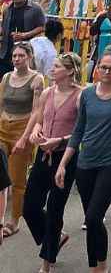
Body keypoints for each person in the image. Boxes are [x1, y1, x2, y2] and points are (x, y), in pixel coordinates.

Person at [55, 48, 111, 272]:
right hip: (86, 163)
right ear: (96, 69)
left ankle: (101, 267)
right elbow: (79, 130)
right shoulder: (87, 94)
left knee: (94, 217)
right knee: (91, 219)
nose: (106, 72)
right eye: (102, 67)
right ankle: (94, 263)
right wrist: (64, 163)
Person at [22, 52, 82, 272]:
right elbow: (39, 120)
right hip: (43, 155)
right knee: (29, 206)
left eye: (56, 66)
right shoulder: (47, 92)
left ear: (69, 71)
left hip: (65, 157)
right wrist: (35, 133)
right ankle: (54, 238)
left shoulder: (80, 96)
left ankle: (47, 262)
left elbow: (81, 131)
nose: (52, 69)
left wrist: (60, 140)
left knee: (55, 209)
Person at [0, 41, 44, 239]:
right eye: (14, 56)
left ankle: (14, 220)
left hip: (21, 129)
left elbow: (36, 111)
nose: (17, 59)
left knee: (17, 178)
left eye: (21, 56)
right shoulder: (6, 77)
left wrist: (25, 138)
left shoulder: (37, 79)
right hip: (3, 127)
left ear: (29, 57)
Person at [0, 0, 46, 76]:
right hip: (6, 52)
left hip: (25, 51)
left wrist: (26, 35)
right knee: (5, 80)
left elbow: (43, 26)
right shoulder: (7, 9)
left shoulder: (35, 8)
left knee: (23, 79)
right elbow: (4, 28)